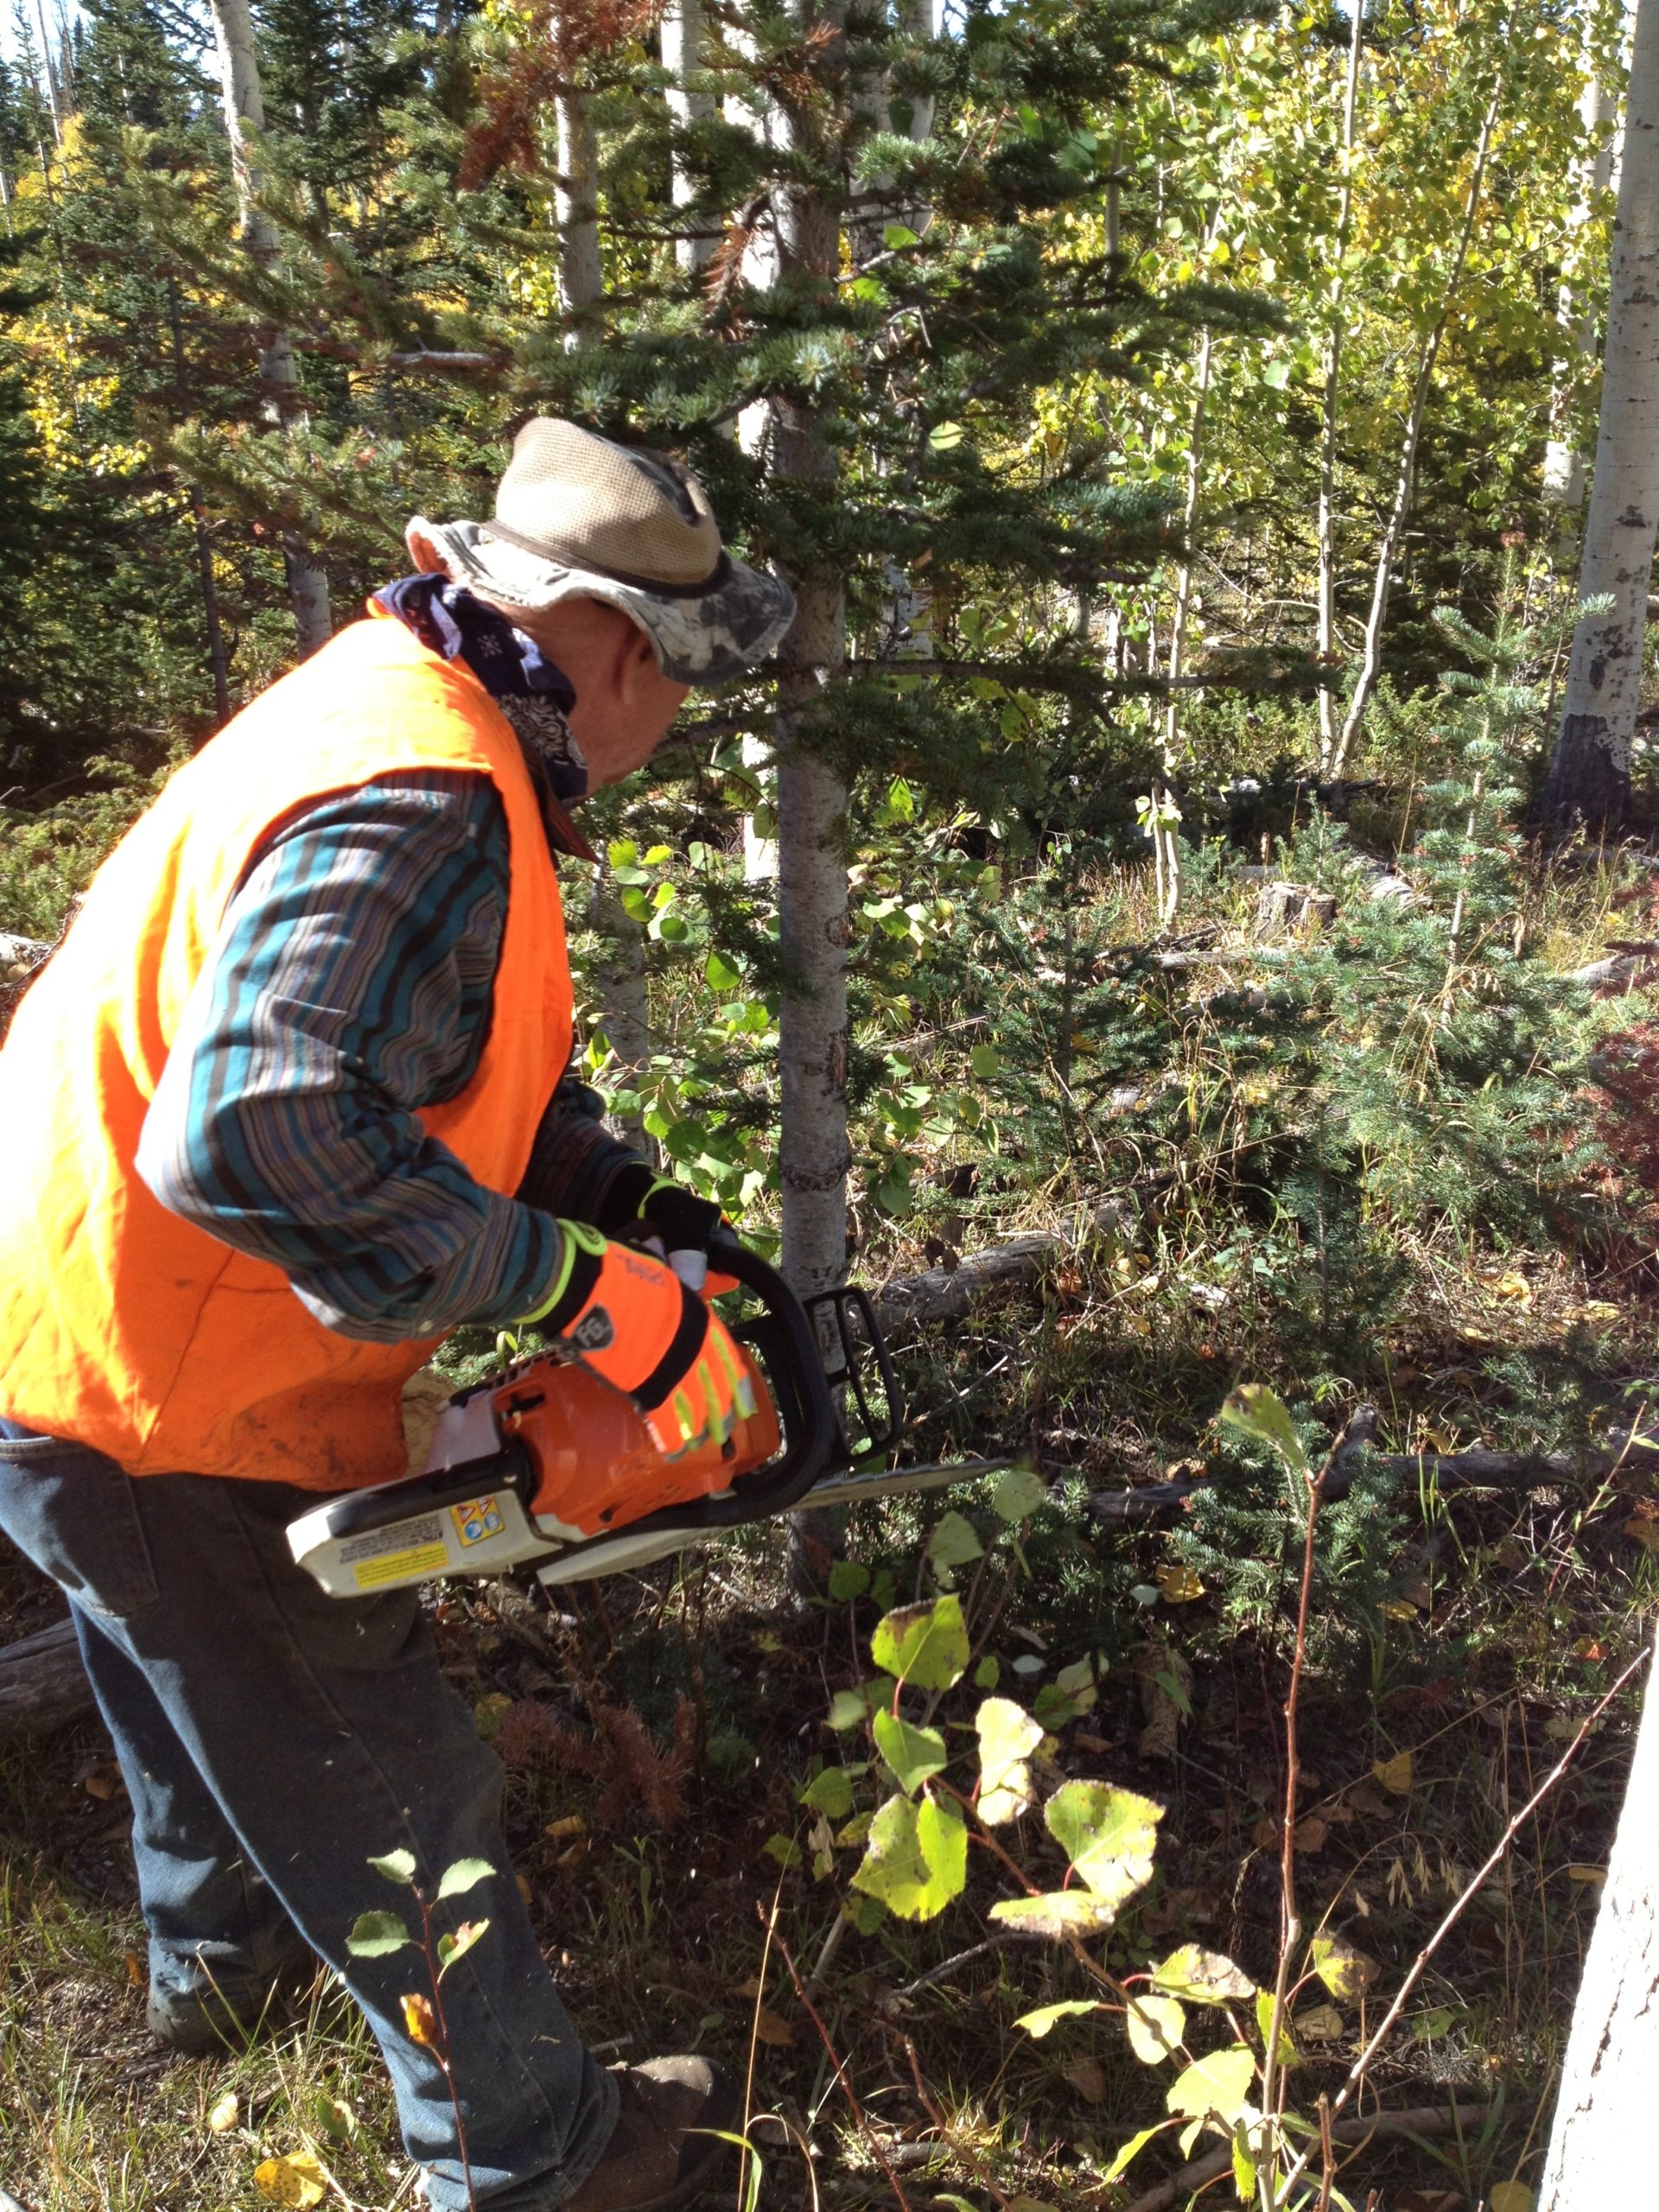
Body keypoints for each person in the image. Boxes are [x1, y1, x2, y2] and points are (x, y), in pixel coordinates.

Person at [0, 419, 796, 2212]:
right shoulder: (430, 788)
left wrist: (623, 1201)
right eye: (681, 674)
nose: (678, 716)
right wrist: (582, 1291)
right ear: (618, 647)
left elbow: (427, 1044)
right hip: (168, 1378)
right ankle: (530, 2161)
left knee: (182, 1683)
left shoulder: (396, 703)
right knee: (389, 1777)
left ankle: (219, 1991)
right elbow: (258, 1129)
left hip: (59, 1319)